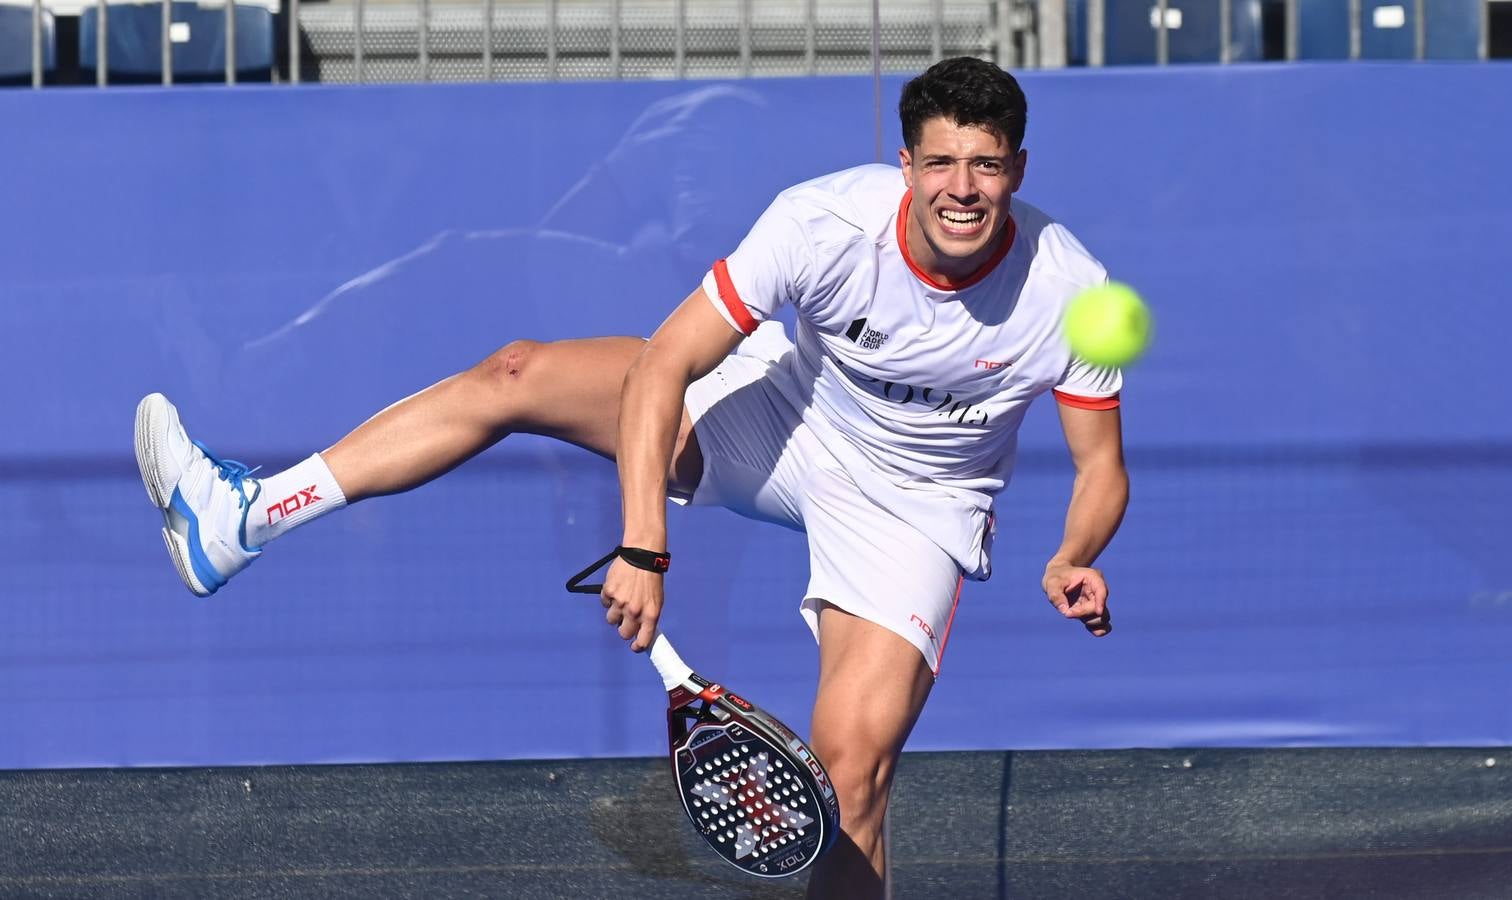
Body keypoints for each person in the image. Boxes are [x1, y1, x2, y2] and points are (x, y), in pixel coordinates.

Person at [135, 56, 1127, 899]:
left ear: (1017, 169)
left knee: (850, 779)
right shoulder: (822, 223)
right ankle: (245, 520)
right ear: (905, 165)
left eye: (986, 164)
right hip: (788, 422)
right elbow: (664, 364)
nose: (963, 188)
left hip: (917, 508)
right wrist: (644, 546)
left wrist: (1074, 554)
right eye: (942, 161)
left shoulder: (1068, 291)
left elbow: (1099, 469)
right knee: (516, 374)